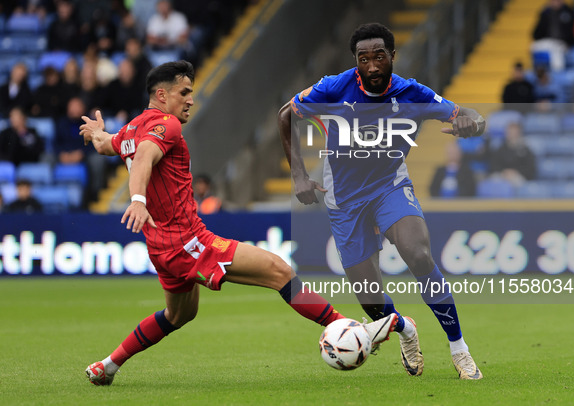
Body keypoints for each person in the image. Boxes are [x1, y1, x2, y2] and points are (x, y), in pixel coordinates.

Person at [79, 60, 396, 386]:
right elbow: (145, 155)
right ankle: (356, 332)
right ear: (162, 95)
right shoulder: (166, 125)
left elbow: (109, 145)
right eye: (184, 92)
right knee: (279, 271)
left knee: (179, 315)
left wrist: (98, 133)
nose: (191, 99)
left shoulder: (133, 128)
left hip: (161, 247)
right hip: (186, 241)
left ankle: (108, 365)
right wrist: (137, 199)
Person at [278, 23, 485, 380]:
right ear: (355, 61)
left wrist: (473, 124)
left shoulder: (412, 93)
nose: (372, 66)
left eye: (379, 57)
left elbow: (469, 115)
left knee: (419, 255)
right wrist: (297, 175)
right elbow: (286, 115)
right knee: (371, 301)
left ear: (392, 56)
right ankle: (405, 330)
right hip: (344, 199)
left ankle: (460, 349)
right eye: (364, 59)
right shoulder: (332, 88)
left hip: (389, 186)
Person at [531, 0, 574, 71]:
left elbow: (572, 32)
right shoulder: (545, 13)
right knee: (533, 46)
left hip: (562, 43)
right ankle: (537, 71)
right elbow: (536, 33)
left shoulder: (569, 12)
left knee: (556, 50)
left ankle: (558, 73)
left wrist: (569, 43)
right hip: (548, 41)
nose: (555, 2)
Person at [489, 122, 537, 186]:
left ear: (519, 133)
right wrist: (504, 172)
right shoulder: (501, 149)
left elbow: (530, 168)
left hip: (518, 176)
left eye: (514, 132)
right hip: (502, 175)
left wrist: (515, 172)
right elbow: (494, 165)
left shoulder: (525, 149)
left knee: (518, 183)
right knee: (493, 181)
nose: (511, 134)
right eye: (509, 132)